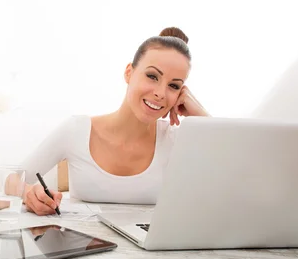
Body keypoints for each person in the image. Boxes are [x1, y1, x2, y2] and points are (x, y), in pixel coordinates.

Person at [19, 27, 210, 215]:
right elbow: (10, 178)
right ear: (129, 72)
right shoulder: (76, 130)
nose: (160, 93)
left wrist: (200, 113)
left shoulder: (175, 140)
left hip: (147, 244)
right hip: (84, 243)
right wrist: (28, 193)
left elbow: (235, 182)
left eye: (174, 86)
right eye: (152, 76)